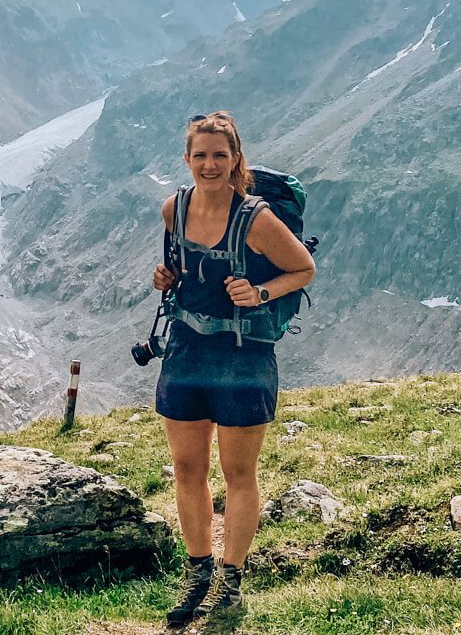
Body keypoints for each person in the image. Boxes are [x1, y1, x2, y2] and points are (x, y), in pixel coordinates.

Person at [151, 111, 316, 625]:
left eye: (219, 156)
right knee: (186, 468)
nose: (209, 164)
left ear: (236, 160)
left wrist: (261, 291)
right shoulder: (172, 210)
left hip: (243, 357)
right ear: (187, 159)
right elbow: (182, 270)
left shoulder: (257, 220)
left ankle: (230, 577)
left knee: (238, 473)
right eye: (200, 155)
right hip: (186, 351)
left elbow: (304, 268)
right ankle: (198, 573)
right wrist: (165, 276)